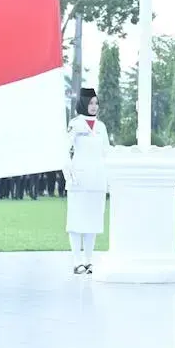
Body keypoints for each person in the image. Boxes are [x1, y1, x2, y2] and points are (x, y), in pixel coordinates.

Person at [64, 87, 110, 275]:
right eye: (90, 103)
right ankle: (77, 262)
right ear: (83, 103)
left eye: (96, 103)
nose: (94, 106)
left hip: (97, 179)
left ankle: (89, 261)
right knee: (76, 221)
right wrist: (68, 173)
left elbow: (107, 152)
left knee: (93, 221)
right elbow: (65, 150)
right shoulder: (75, 124)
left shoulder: (101, 127)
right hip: (79, 180)